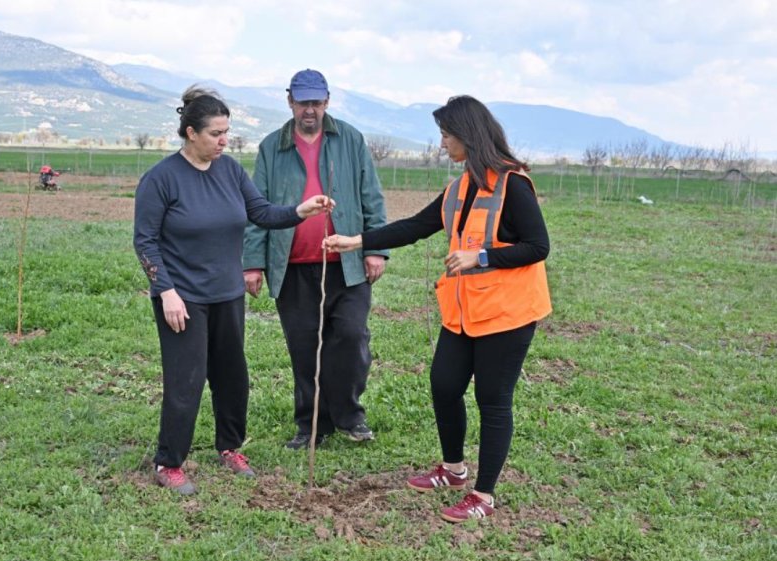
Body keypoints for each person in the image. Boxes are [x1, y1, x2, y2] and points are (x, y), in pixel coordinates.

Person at [324, 95, 551, 522]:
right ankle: (453, 470)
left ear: (468, 135)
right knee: (444, 385)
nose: (442, 143)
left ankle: (483, 496)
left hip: (507, 314)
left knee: (492, 399)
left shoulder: (513, 185)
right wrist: (356, 241)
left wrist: (480, 257)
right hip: (464, 311)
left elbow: (538, 247)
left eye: (446, 135)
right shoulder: (460, 186)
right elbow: (416, 227)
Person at [134, 86, 334, 495]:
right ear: (191, 133)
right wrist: (165, 290)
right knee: (185, 382)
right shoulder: (161, 179)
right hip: (183, 299)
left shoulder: (229, 171)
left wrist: (301, 210)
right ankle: (168, 461)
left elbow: (259, 212)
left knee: (233, 378)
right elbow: (146, 241)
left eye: (227, 132)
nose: (225, 140)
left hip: (227, 293)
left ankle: (230, 447)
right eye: (216, 134)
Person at [242, 69, 388, 450]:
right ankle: (311, 425)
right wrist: (253, 262)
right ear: (290, 100)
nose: (310, 109)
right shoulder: (271, 147)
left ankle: (350, 414)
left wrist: (374, 247)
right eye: (303, 101)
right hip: (293, 266)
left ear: (327, 101)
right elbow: (258, 208)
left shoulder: (350, 139)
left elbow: (371, 195)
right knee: (305, 347)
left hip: (346, 262)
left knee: (351, 338)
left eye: (316, 102)